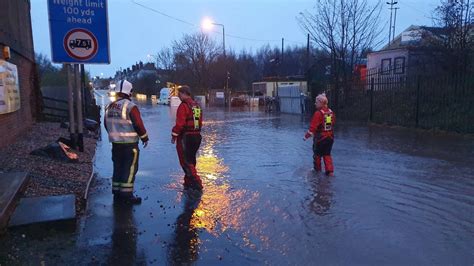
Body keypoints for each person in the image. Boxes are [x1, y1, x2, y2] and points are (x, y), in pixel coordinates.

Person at [105, 80, 148, 204]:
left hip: (115, 144)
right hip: (130, 145)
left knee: (117, 167)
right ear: (129, 92)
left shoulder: (109, 106)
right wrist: (144, 138)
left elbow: (106, 124)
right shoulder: (130, 106)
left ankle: (117, 192)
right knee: (129, 169)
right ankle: (127, 196)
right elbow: (138, 125)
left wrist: (114, 135)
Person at [171, 86, 203, 190]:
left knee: (185, 161)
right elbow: (199, 122)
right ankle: (188, 181)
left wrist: (174, 135)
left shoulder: (184, 106)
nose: (178, 96)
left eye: (179, 94)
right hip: (196, 136)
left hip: (186, 137)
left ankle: (196, 182)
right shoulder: (196, 105)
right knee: (191, 159)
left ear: (185, 93)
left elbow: (180, 123)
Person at [304, 93, 335, 176]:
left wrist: (306, 136)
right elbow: (330, 124)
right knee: (327, 155)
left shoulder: (318, 113)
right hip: (330, 138)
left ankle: (317, 172)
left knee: (317, 155)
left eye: (316, 102)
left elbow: (313, 128)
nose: (315, 103)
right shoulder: (330, 112)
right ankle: (330, 172)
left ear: (321, 103)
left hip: (320, 139)